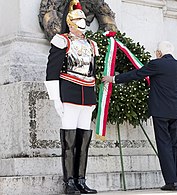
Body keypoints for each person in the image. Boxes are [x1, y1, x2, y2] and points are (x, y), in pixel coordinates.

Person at [102, 41, 177, 191]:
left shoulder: (157, 64)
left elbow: (137, 74)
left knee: (164, 145)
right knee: (173, 145)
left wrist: (113, 79)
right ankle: (175, 179)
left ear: (159, 53)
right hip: (175, 110)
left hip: (161, 111)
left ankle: (171, 181)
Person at [44, 0, 99, 194]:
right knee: (69, 141)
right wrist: (56, 99)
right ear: (70, 22)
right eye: (78, 19)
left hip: (87, 94)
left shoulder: (92, 44)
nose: (82, 23)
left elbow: (93, 72)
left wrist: (94, 99)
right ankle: (69, 182)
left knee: (84, 140)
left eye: (83, 19)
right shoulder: (62, 40)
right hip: (69, 92)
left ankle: (80, 180)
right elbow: (52, 72)